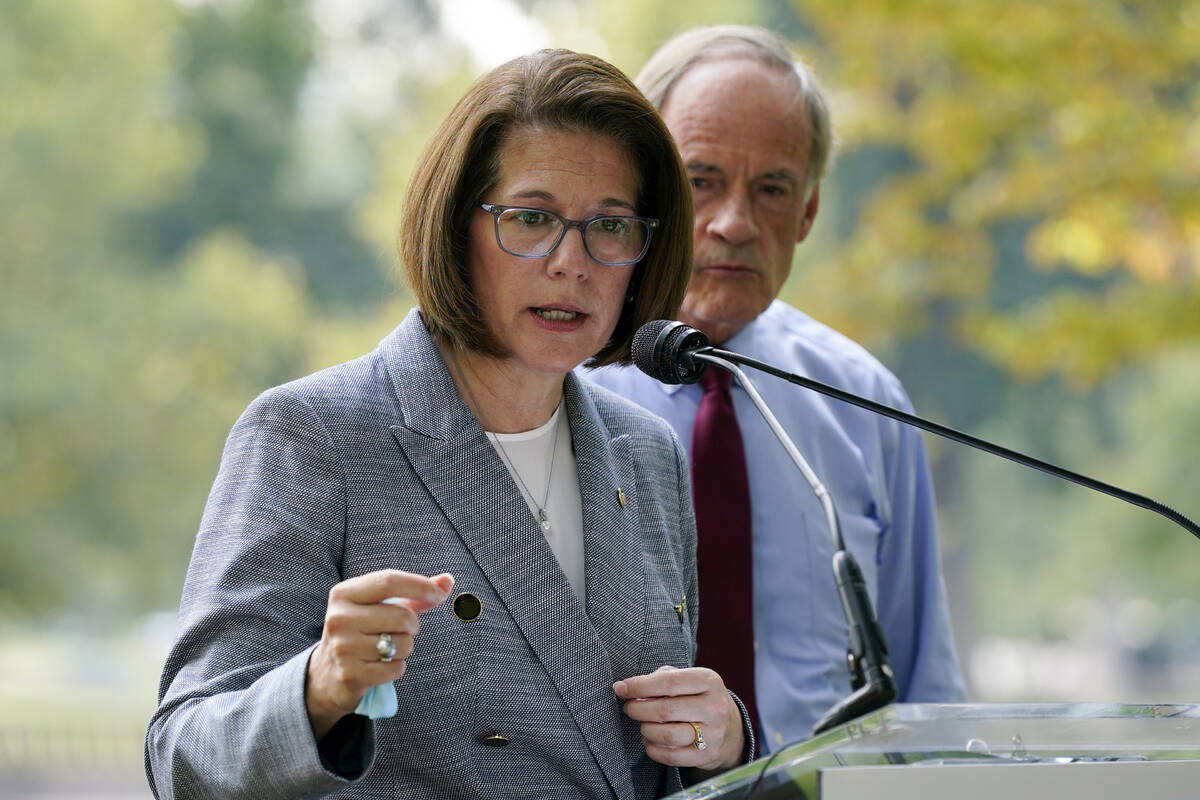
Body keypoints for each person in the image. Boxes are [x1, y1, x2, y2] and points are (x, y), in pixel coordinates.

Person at [145, 49, 752, 800]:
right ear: (456, 226)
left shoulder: (646, 451)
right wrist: (318, 688)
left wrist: (722, 739)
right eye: (530, 219)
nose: (573, 263)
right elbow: (182, 757)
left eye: (611, 226)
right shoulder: (312, 435)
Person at [586, 25, 965, 751]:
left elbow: (927, 692)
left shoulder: (865, 402)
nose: (734, 222)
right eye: (701, 181)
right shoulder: (557, 387)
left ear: (810, 213)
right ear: (643, 192)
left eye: (772, 190)